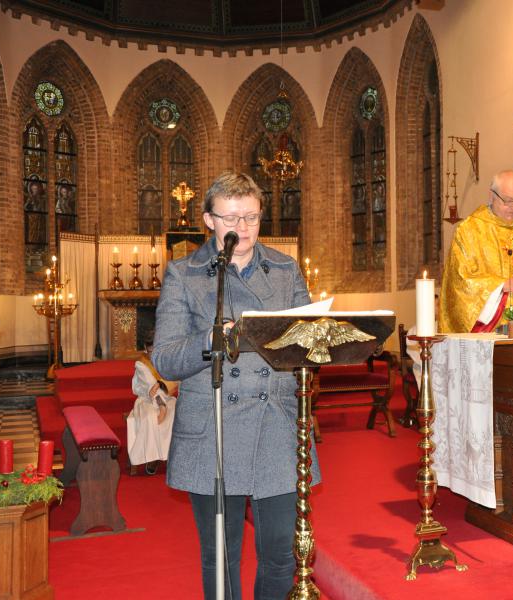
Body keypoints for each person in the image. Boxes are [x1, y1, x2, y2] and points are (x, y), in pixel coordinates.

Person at [152, 171, 315, 600]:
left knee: (282, 554)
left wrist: (318, 342)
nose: (242, 229)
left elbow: (308, 345)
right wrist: (210, 340)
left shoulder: (284, 270)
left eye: (252, 218)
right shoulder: (184, 274)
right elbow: (165, 357)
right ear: (208, 220)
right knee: (221, 557)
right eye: (231, 218)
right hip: (214, 431)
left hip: (275, 425)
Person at [439, 170, 513, 333]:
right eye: (508, 201)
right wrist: (504, 286)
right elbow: (460, 280)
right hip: (490, 331)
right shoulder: (469, 231)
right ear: (491, 196)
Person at [127, 355, 177, 475]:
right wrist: (161, 406)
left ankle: (171, 455)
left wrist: (164, 406)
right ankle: (152, 457)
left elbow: (174, 380)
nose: (153, 352)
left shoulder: (168, 357)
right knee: (150, 418)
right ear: (145, 347)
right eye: (150, 350)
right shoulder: (141, 363)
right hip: (146, 399)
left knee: (175, 413)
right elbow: (150, 386)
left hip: (167, 398)